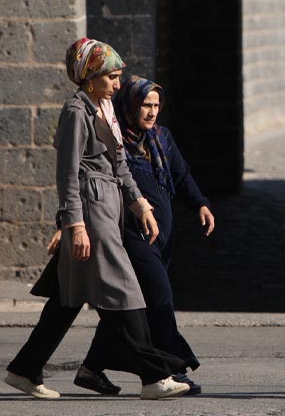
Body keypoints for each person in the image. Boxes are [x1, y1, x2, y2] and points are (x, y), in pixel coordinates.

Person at [3, 38, 190, 400]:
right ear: (90, 78)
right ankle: (154, 376)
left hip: (110, 205)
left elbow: (119, 163)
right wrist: (74, 224)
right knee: (124, 288)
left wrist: (140, 204)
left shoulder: (104, 106)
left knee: (66, 297)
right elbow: (68, 173)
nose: (117, 85)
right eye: (111, 77)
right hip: (92, 210)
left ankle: (24, 369)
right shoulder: (76, 111)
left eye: (118, 77)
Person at [70, 75, 215, 395]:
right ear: (130, 106)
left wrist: (201, 205)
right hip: (129, 235)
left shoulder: (162, 138)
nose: (151, 112)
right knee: (160, 298)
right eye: (145, 105)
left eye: (156, 106)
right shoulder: (114, 140)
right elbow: (83, 181)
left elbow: (182, 176)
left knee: (134, 305)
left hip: (161, 237)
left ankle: (92, 368)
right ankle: (174, 369)